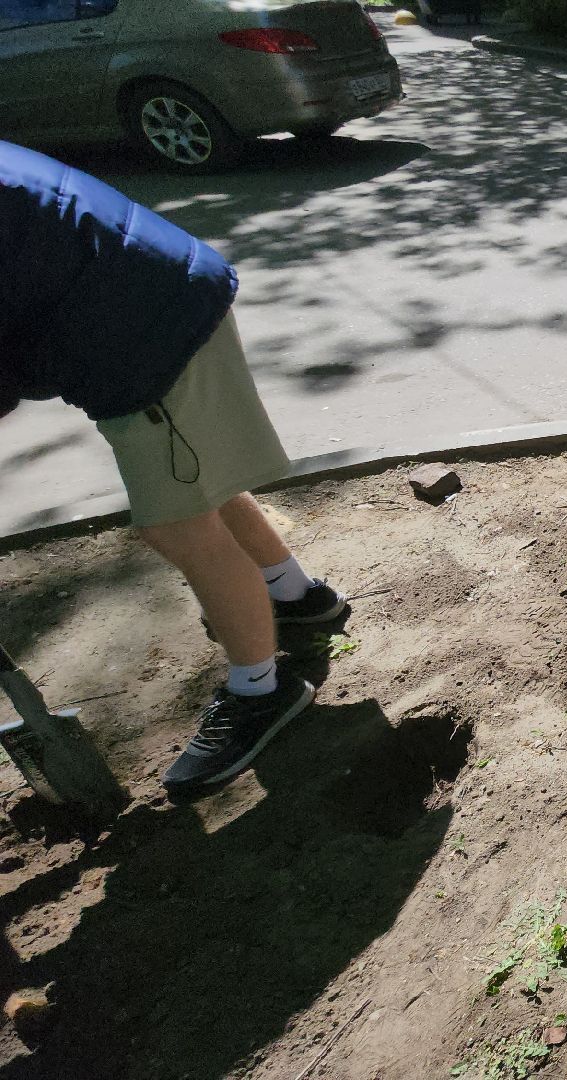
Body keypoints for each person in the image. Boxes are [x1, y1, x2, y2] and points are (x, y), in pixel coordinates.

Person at [1, 141, 343, 794]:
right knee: (198, 485)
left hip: (143, 332)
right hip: (146, 303)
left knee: (176, 522)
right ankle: (297, 597)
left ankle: (262, 690)